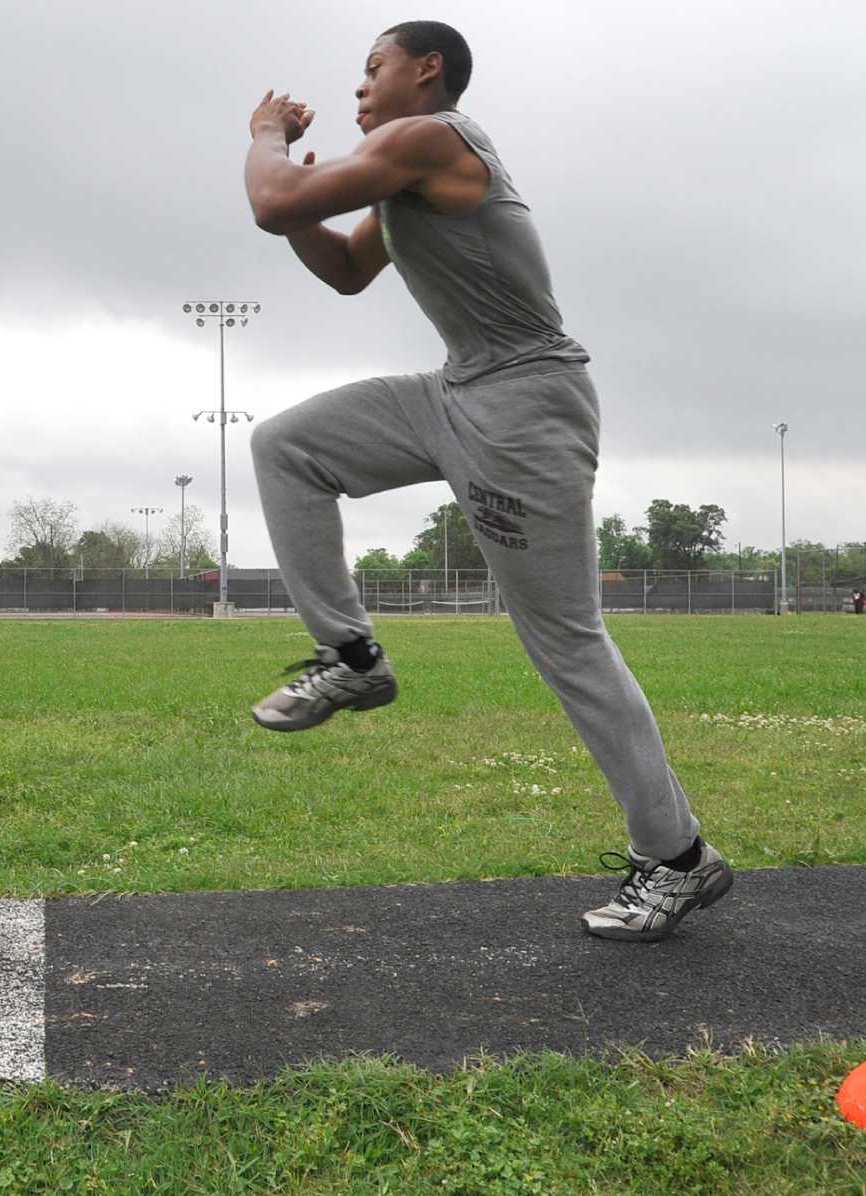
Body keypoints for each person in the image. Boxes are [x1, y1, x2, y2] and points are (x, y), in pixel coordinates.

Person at [240, 20, 729, 941]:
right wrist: (297, 185)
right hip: (458, 385)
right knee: (286, 446)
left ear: (428, 71)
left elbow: (272, 202)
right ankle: (350, 660)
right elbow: (345, 269)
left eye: (372, 67)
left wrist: (268, 139)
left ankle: (678, 859)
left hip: (527, 405)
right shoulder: (402, 174)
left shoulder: (434, 139)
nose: (358, 88)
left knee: (567, 644)